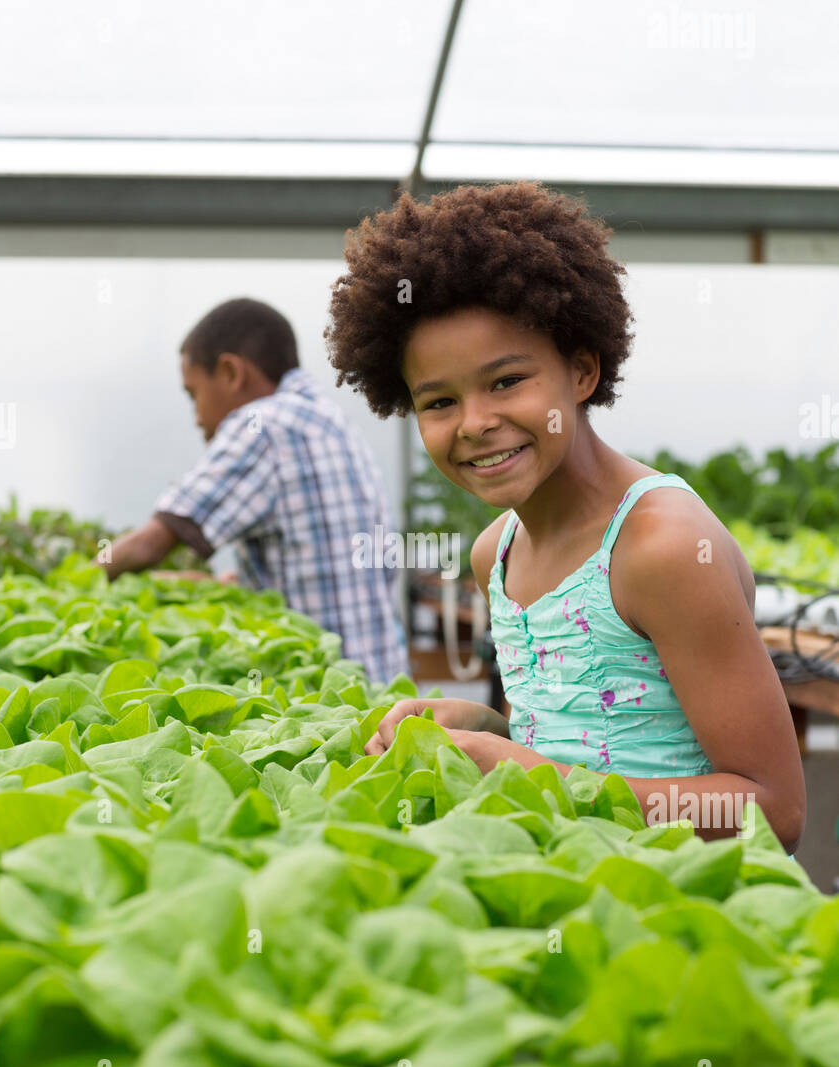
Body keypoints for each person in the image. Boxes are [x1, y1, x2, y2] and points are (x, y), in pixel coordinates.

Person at [324, 181, 805, 851]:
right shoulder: (497, 552)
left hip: (687, 921)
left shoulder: (660, 547)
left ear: (580, 373)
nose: (476, 424)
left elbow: (772, 810)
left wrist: (535, 775)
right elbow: (575, 741)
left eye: (507, 381)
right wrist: (484, 729)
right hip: (573, 899)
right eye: (438, 402)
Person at [98, 297, 409, 686]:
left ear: (230, 372)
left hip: (329, 698)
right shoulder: (325, 418)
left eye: (194, 394)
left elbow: (151, 543)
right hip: (382, 685)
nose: (197, 418)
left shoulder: (262, 425)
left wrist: (81, 577)